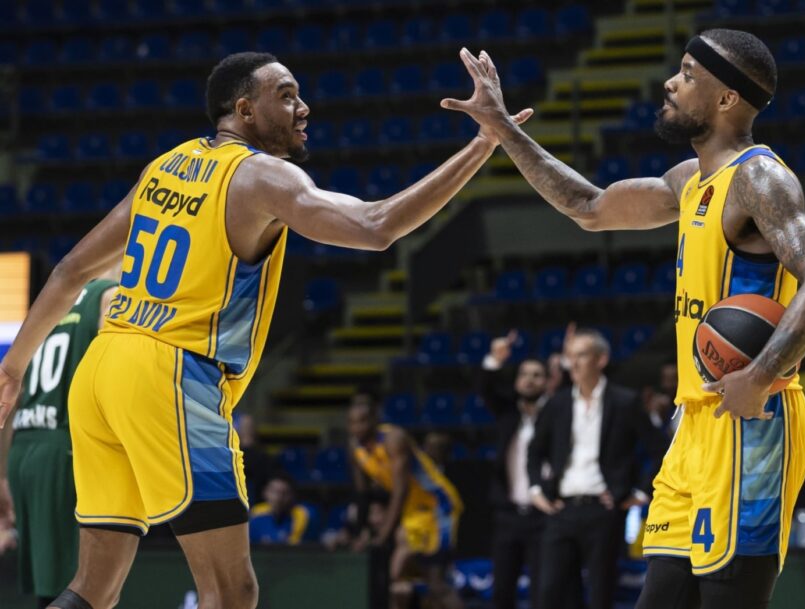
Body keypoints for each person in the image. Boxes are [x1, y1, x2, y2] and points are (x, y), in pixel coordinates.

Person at [0, 50, 531, 609]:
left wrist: (13, 368)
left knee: (94, 588)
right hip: (171, 375)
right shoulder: (260, 176)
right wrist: (483, 144)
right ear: (245, 109)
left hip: (102, 374)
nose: (303, 107)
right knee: (232, 591)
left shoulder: (165, 165)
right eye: (286, 94)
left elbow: (71, 271)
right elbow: (377, 227)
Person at [443, 30, 805, 609]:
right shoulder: (688, 181)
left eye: (686, 74)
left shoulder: (761, 179)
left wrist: (760, 375)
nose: (670, 82)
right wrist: (504, 127)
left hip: (752, 422)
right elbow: (588, 207)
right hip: (693, 428)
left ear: (727, 99)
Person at [526, 329, 668, 609]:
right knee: (549, 592)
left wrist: (639, 492)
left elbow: (659, 448)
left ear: (601, 359)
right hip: (561, 508)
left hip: (603, 510)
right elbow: (534, 450)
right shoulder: (559, 403)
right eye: (570, 357)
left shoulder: (624, 401)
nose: (574, 363)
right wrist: (535, 488)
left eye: (581, 355)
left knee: (601, 594)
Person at [0, 277, 117, 609]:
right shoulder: (109, 296)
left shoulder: (48, 304)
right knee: (84, 588)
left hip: (24, 447)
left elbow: (13, 394)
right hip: (64, 449)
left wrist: (3, 473)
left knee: (54, 588)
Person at [348, 401, 465, 609]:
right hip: (411, 511)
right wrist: (361, 531)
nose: (357, 427)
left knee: (435, 581)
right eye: (352, 423)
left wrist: (382, 536)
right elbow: (363, 494)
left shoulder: (394, 439)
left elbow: (401, 491)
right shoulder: (355, 448)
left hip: (437, 506)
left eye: (363, 421)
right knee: (398, 580)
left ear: (375, 420)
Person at [479, 330, 549, 609]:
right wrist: (495, 360)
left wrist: (567, 366)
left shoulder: (556, 412)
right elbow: (485, 387)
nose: (530, 380)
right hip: (508, 515)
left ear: (548, 381)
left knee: (544, 593)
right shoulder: (507, 412)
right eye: (524, 374)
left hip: (543, 516)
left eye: (537, 375)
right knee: (502, 591)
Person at [248, 472, 320, 545]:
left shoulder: (303, 515)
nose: (278, 498)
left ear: (293, 495)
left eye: (284, 493)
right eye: (274, 492)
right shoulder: (256, 514)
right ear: (265, 492)